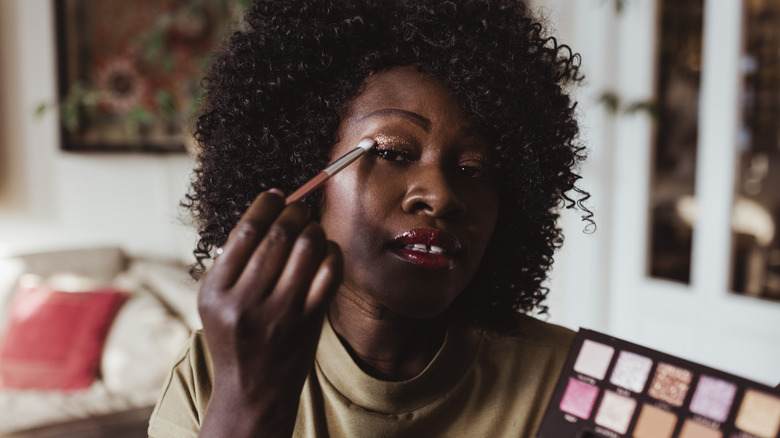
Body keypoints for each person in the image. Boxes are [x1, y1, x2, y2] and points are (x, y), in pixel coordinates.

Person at [148, 0, 592, 436]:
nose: (440, 195)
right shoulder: (210, 383)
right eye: (393, 153)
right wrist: (248, 404)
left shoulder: (576, 388)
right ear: (301, 171)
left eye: (472, 169)